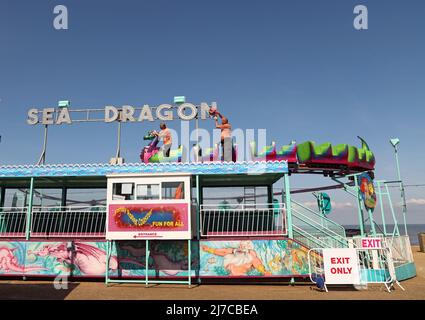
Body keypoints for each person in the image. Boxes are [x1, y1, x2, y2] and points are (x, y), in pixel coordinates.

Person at [201, 241, 271, 276]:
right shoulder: (234, 250)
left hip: (244, 268)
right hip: (233, 267)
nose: (241, 247)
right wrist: (209, 249)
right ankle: (235, 273)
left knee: (249, 263)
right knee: (231, 265)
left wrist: (263, 271)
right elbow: (223, 252)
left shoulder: (250, 253)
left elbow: (256, 261)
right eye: (241, 246)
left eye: (243, 246)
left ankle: (264, 272)